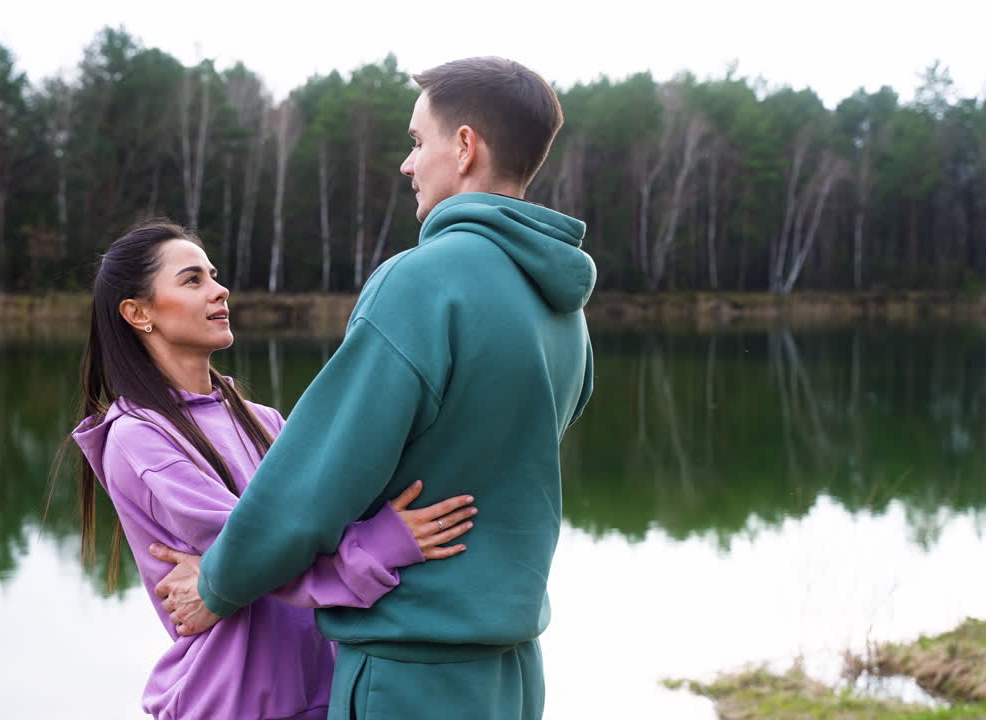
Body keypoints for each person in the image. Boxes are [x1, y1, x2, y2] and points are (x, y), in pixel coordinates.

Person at [151, 57, 595, 720]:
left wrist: (218, 582)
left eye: (417, 142)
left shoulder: (421, 283)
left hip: (409, 676)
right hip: (511, 675)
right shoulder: (563, 309)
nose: (406, 165)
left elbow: (311, 485)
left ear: (466, 146)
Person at [68, 221, 479, 719]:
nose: (220, 290)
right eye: (192, 280)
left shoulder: (262, 420)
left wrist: (215, 579)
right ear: (138, 313)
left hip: (327, 693)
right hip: (236, 703)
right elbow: (261, 547)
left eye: (214, 276)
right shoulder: (137, 440)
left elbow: (312, 524)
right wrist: (383, 545)